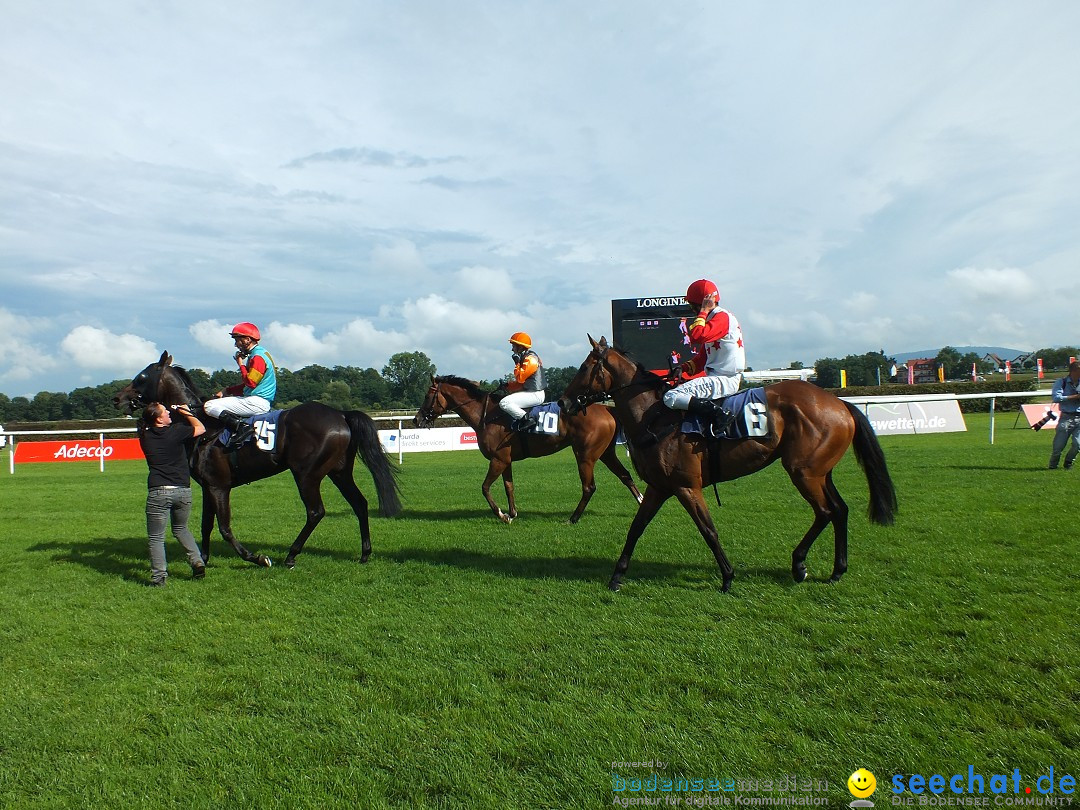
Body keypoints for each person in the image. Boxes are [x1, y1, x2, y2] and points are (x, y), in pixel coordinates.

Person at [662, 279, 746, 437]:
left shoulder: (721, 317)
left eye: (691, 305)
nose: (691, 309)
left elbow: (697, 335)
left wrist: (703, 310)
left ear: (699, 304)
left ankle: (720, 415)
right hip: (719, 377)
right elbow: (702, 358)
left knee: (671, 396)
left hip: (724, 380)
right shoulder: (715, 319)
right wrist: (683, 368)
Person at [137, 402, 207, 586]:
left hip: (158, 492)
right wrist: (185, 411)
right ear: (159, 419)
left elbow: (143, 423)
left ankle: (159, 578)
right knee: (181, 529)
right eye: (165, 411)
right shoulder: (176, 431)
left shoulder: (145, 436)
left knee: (156, 538)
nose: (169, 412)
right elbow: (200, 428)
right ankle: (197, 561)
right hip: (183, 491)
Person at [203, 322, 277, 449]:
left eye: (237, 340)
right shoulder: (260, 354)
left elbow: (251, 382)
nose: (236, 345)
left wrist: (240, 363)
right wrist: (227, 390)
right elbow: (246, 386)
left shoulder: (258, 357)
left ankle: (240, 427)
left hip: (256, 402)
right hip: (256, 400)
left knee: (209, 406)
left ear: (248, 340)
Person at [498, 332, 547, 431]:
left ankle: (528, 419)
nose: (512, 349)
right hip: (532, 392)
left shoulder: (531, 359)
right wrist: (507, 386)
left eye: (513, 346)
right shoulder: (525, 358)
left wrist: (516, 363)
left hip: (535, 394)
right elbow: (520, 383)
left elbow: (520, 378)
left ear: (520, 347)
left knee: (504, 403)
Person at [1048, 360, 1080, 470]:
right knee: (1058, 446)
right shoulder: (1061, 382)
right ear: (1073, 371)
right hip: (1066, 417)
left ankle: (1069, 462)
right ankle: (1053, 465)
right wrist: (1074, 397)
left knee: (1078, 444)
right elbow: (1056, 398)